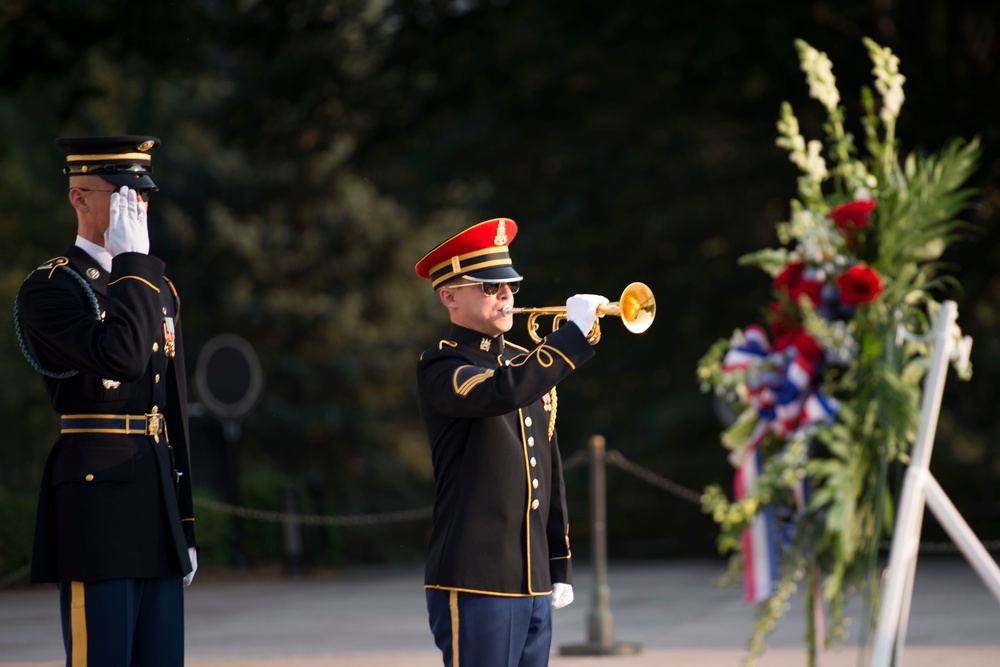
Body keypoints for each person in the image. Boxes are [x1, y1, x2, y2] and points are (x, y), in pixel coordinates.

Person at [14, 135, 198, 667]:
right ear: (79, 198)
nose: (135, 208)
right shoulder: (53, 288)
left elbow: (172, 409)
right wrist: (133, 264)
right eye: (121, 195)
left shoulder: (157, 287)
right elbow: (122, 359)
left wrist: (185, 524)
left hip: (155, 503)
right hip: (96, 508)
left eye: (141, 197)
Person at [414, 217, 608, 667]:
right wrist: (569, 339)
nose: (505, 296)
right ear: (449, 297)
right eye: (488, 287)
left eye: (510, 287)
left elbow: (548, 465)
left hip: (534, 580)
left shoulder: (525, 363)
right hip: (476, 578)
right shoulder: (442, 366)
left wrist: (558, 564)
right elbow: (498, 392)